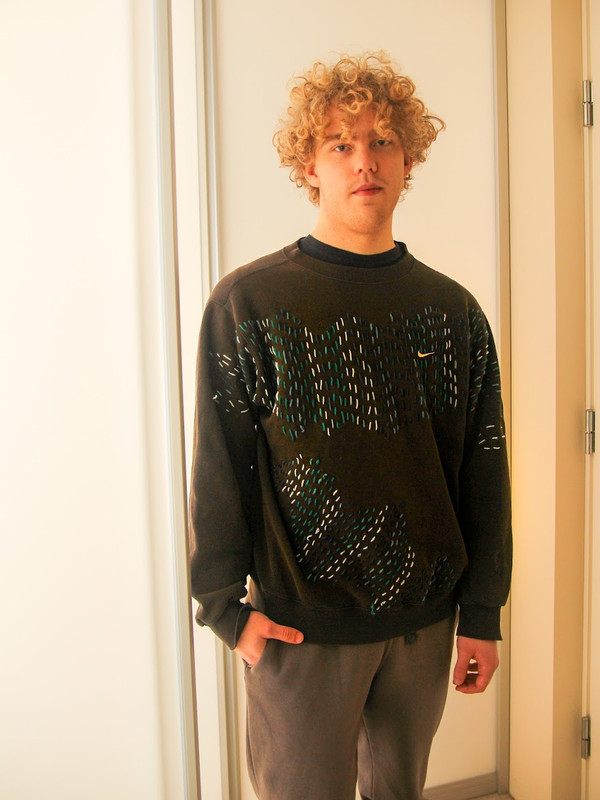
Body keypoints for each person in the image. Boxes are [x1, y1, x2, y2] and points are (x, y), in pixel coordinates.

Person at [189, 51, 512, 800]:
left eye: (383, 141)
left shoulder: (454, 312)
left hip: (422, 627)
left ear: (408, 160)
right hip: (299, 629)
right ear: (310, 164)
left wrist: (482, 612)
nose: (365, 161)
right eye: (341, 143)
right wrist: (224, 610)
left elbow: (484, 469)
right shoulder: (249, 303)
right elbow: (218, 462)